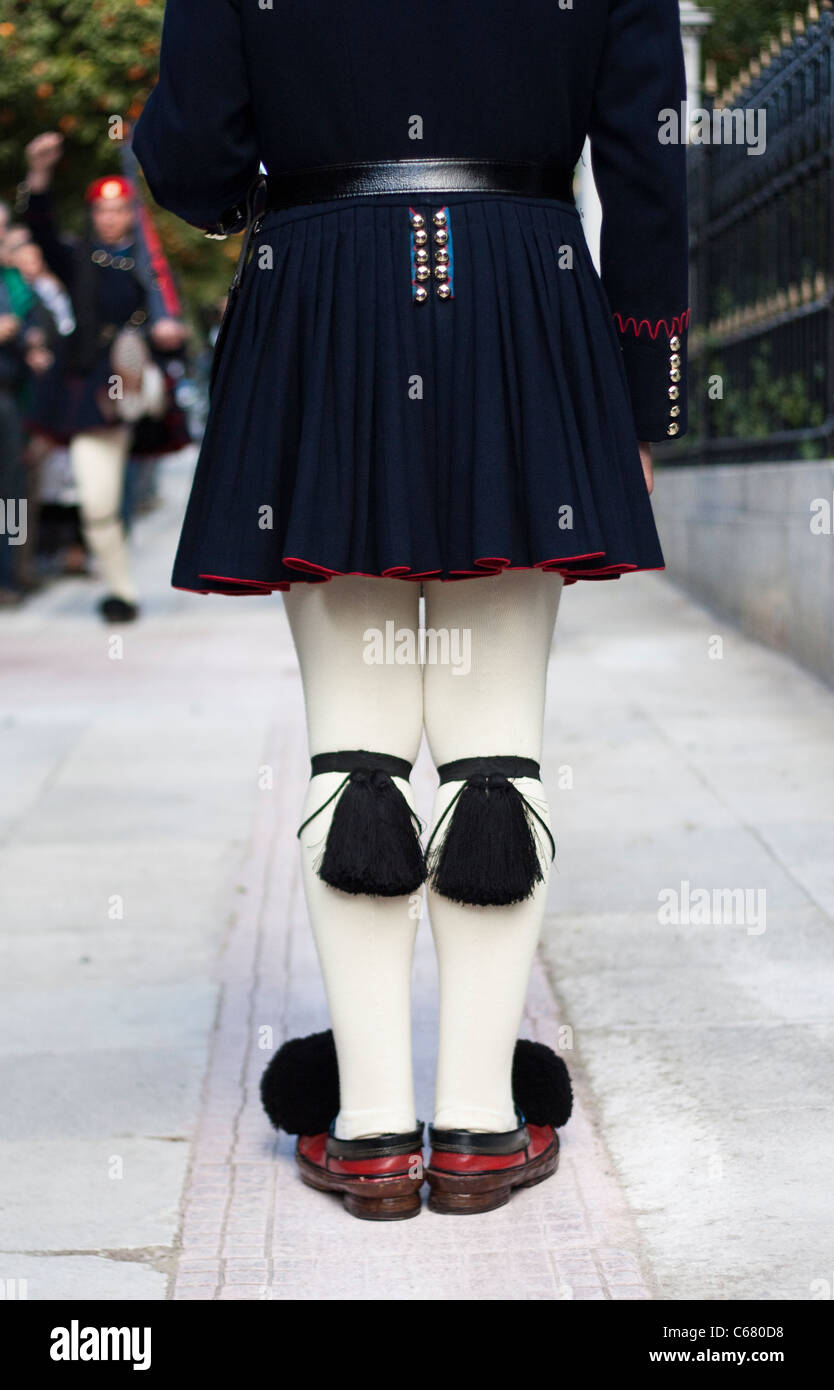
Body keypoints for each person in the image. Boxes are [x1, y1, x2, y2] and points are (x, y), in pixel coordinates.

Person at [132, 0, 689, 1219]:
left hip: (323, 288)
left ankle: (374, 1126)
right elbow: (647, 153)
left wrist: (249, 182)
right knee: (498, 744)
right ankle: (484, 1123)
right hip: (524, 291)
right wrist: (648, 393)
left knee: (357, 741)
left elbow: (196, 156)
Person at [15, 133, 188, 622]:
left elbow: (169, 320)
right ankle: (120, 588)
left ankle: (119, 579)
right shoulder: (79, 260)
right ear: (93, 215)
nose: (110, 218)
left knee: (125, 494)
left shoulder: (150, 268)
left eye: (118, 210)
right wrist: (40, 175)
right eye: (102, 211)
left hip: (146, 393)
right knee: (99, 503)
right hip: (93, 394)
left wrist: (167, 331)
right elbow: (42, 231)